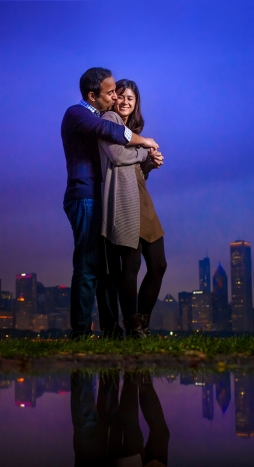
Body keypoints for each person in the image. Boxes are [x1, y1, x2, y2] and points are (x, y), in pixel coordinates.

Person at [61, 68, 159, 340]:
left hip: (100, 197)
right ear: (92, 96)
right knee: (88, 265)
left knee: (107, 270)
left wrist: (146, 161)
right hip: (85, 197)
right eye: (110, 91)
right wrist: (144, 143)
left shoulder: (97, 116)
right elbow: (109, 131)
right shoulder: (78, 114)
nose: (115, 96)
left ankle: (111, 330)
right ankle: (80, 333)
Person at [98, 79, 166, 338]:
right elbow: (117, 156)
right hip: (124, 203)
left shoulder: (130, 129)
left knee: (158, 265)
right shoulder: (110, 120)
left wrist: (149, 163)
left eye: (131, 98)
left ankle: (143, 327)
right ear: (114, 98)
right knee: (131, 267)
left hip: (142, 200)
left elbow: (136, 172)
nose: (125, 101)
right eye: (122, 96)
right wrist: (144, 149)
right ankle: (134, 329)